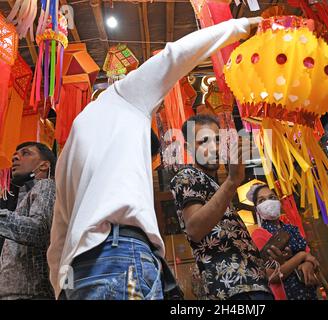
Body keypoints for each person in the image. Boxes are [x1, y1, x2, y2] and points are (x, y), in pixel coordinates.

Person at [47, 17, 263, 300]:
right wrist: (242, 25)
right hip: (121, 253)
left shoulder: (71, 144)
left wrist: (60, 286)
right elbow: (174, 55)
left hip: (79, 270)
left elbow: (59, 234)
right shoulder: (123, 96)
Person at [170, 114, 272, 300]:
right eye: (204, 141)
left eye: (218, 140)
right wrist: (232, 181)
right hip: (232, 288)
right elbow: (194, 229)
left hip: (254, 285)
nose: (214, 147)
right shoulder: (187, 176)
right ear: (188, 148)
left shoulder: (215, 186)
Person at [0, 142, 56, 300]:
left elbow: (39, 230)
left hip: (33, 294)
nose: (15, 157)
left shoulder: (46, 186)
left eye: (25, 153)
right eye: (15, 154)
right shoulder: (26, 196)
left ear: (44, 165)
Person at [248, 183, 319, 300]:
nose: (268, 202)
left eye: (272, 197)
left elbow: (312, 258)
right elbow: (272, 276)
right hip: (285, 294)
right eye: (262, 200)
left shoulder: (291, 228)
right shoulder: (259, 235)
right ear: (257, 209)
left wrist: (308, 263)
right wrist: (301, 257)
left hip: (309, 292)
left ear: (279, 202)